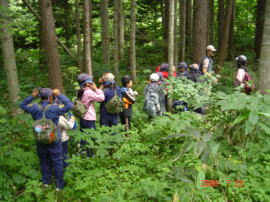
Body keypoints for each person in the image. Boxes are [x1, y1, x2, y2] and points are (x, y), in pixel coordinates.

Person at [20, 88, 73, 191]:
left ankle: (46, 183)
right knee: (57, 162)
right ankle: (59, 186)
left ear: (40, 97)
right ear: (50, 97)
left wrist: (32, 96)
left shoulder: (35, 108)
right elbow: (70, 105)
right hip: (54, 140)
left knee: (44, 161)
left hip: (40, 139)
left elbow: (22, 105)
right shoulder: (54, 108)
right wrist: (60, 94)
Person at [77, 73, 105, 156]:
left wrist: (98, 88)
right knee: (90, 137)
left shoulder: (80, 91)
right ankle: (90, 155)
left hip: (83, 117)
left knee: (83, 136)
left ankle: (82, 151)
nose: (92, 83)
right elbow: (101, 98)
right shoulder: (88, 92)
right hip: (89, 118)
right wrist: (96, 88)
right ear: (86, 83)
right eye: (90, 82)